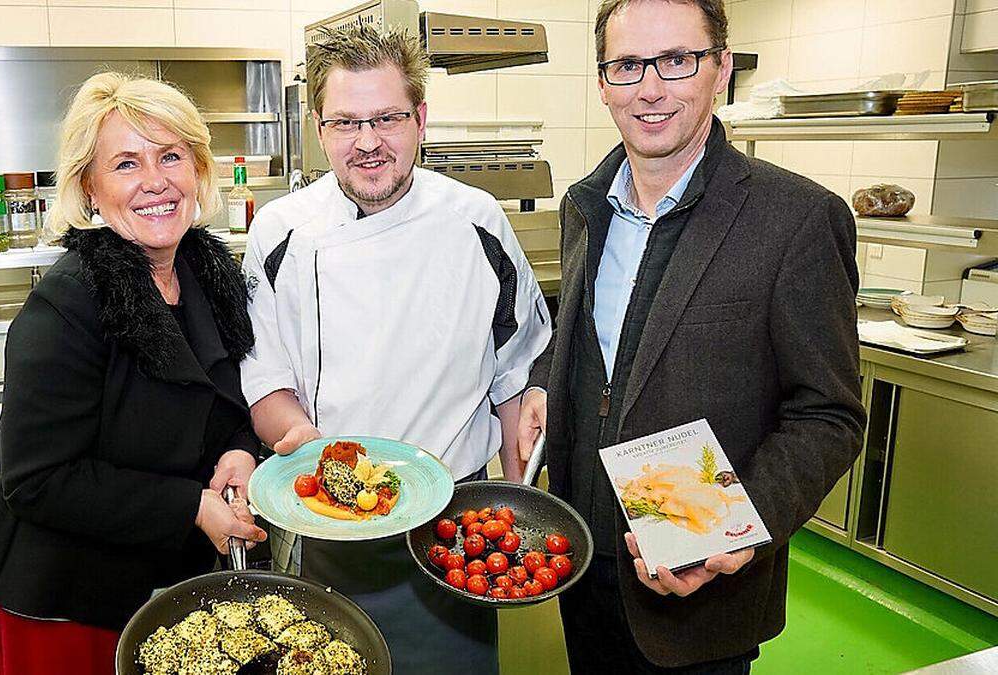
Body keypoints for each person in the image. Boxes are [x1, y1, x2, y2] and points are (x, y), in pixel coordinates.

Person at [517, 0, 866, 672]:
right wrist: (542, 378)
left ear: (720, 68)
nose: (650, 87)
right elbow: (592, 332)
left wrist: (733, 529)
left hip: (696, 591)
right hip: (581, 562)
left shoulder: (795, 219)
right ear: (602, 82)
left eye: (676, 60)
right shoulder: (587, 204)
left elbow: (827, 413)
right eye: (626, 65)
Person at [240, 24, 551, 674]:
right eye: (346, 122)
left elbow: (516, 371)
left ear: (420, 119)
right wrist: (304, 442)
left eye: (387, 117)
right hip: (326, 521)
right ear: (318, 129)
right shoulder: (279, 232)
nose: (369, 141)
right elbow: (266, 382)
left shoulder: (477, 220)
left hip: (450, 528)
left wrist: (519, 505)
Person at [0, 72, 268, 675]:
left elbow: (221, 400)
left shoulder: (208, 277)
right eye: (126, 164)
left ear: (198, 169)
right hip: (57, 600)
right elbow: (39, 481)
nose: (156, 182)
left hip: (155, 583)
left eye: (171, 156)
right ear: (89, 188)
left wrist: (240, 452)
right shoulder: (68, 304)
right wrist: (191, 506)